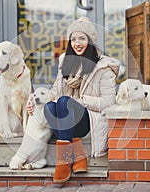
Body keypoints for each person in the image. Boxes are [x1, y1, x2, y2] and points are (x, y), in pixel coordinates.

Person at [26, 16, 120, 183]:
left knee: (63, 101)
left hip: (87, 120)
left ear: (90, 41)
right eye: (73, 39)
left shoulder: (103, 67)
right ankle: (77, 155)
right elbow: (54, 92)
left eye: (82, 39)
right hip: (66, 117)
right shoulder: (65, 62)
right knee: (49, 107)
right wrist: (34, 102)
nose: (77, 43)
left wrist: (84, 100)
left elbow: (109, 102)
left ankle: (63, 162)